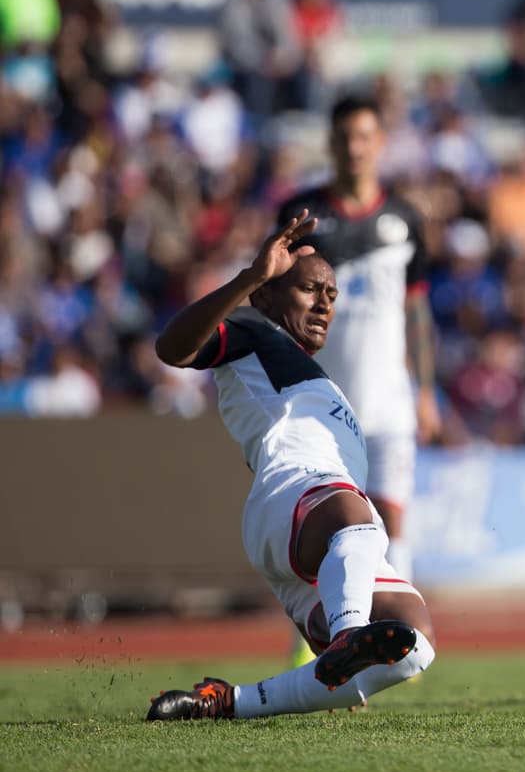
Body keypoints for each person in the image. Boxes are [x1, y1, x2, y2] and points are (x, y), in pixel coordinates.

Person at [147, 211, 436, 720]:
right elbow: (172, 348)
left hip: (309, 536)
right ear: (266, 297)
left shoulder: (315, 375)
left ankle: (231, 703)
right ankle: (348, 637)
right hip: (294, 495)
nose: (325, 303)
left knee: (415, 643)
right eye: (309, 289)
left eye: (332, 294)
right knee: (357, 515)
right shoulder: (254, 331)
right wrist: (250, 277)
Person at [278, 96, 442, 585]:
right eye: (345, 138)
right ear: (330, 143)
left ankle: (402, 620)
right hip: (322, 398)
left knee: (393, 517)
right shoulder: (300, 215)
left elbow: (416, 310)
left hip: (390, 398)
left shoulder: (405, 219)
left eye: (364, 137)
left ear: (380, 143)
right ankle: (328, 625)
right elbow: (275, 305)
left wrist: (426, 391)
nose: (354, 148)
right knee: (329, 522)